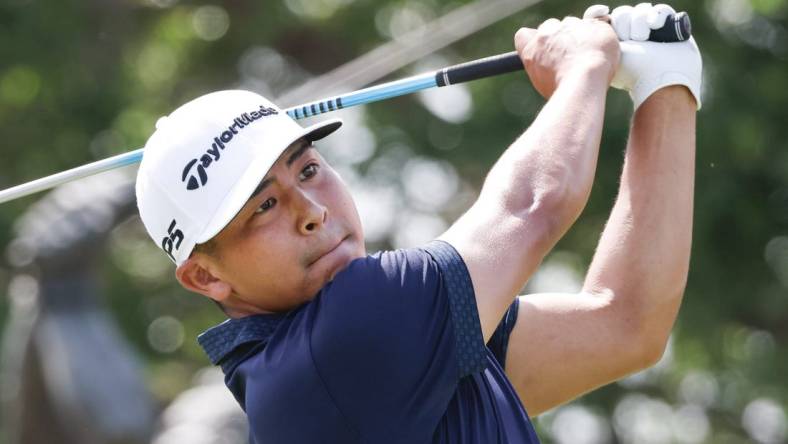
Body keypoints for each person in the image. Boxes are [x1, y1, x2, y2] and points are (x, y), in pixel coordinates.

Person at [134, 3, 701, 443]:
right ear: (205, 277)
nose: (311, 211)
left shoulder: (397, 351)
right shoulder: (342, 346)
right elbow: (533, 203)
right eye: (262, 207)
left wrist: (667, 85)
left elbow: (626, 324)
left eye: (306, 170)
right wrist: (583, 66)